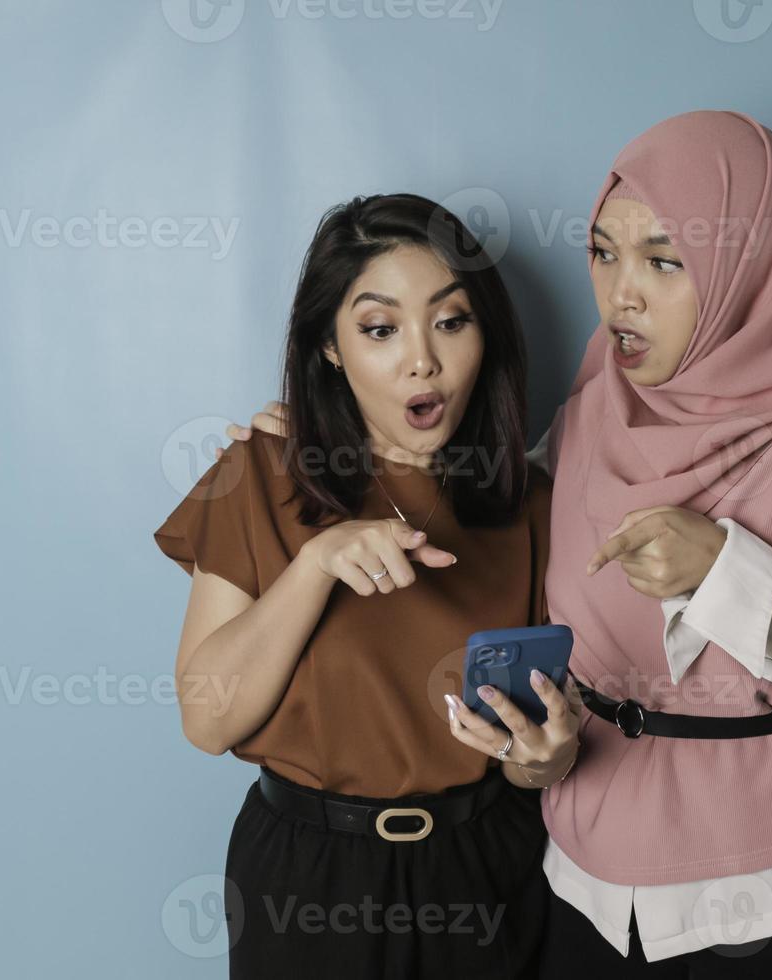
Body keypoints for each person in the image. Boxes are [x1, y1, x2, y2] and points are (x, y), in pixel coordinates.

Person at [223, 110, 772, 977]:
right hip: (586, 888)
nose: (621, 295)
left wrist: (727, 568)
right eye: (604, 253)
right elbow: (470, 504)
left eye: (664, 261)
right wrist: (322, 441)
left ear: (750, 265)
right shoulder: (589, 414)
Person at [153, 192, 582, 980]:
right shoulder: (257, 474)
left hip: (488, 867)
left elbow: (526, 756)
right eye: (380, 328)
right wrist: (315, 566)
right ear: (329, 347)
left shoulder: (532, 504)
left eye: (451, 321)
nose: (422, 359)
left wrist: (546, 759)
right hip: (308, 877)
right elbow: (207, 722)